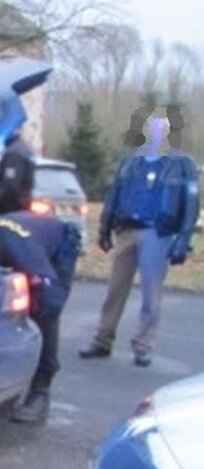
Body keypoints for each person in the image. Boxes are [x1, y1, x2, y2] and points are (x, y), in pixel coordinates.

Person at [78, 113, 199, 367]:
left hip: (158, 233)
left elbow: (190, 205)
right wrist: (104, 227)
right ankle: (102, 340)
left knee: (150, 293)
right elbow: (114, 194)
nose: (157, 136)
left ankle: (143, 345)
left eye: (162, 131)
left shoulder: (181, 165)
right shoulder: (131, 162)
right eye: (153, 130)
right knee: (114, 289)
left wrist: (182, 240)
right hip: (127, 231)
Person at [0, 212, 82, 422]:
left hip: (60, 244)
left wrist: (35, 306)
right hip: (25, 236)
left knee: (45, 312)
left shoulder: (25, 252)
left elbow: (52, 299)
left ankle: (41, 388)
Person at [0, 130, 36, 214]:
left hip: (11, 208)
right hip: (22, 206)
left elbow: (10, 184)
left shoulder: (13, 153)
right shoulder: (24, 149)